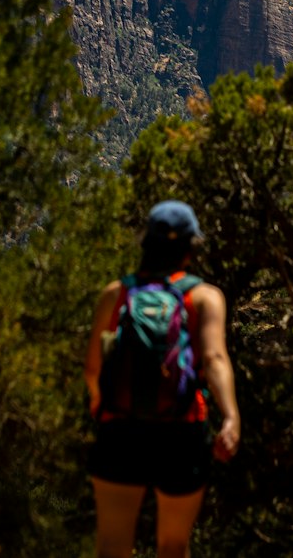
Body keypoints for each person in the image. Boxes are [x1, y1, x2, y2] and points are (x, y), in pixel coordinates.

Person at [84, 200, 240, 558]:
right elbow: (215, 358)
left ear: (147, 243)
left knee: (112, 546)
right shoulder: (204, 297)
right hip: (182, 431)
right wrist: (230, 416)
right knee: (172, 546)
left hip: (119, 428)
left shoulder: (116, 294)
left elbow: (92, 367)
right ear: (190, 248)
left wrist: (99, 401)